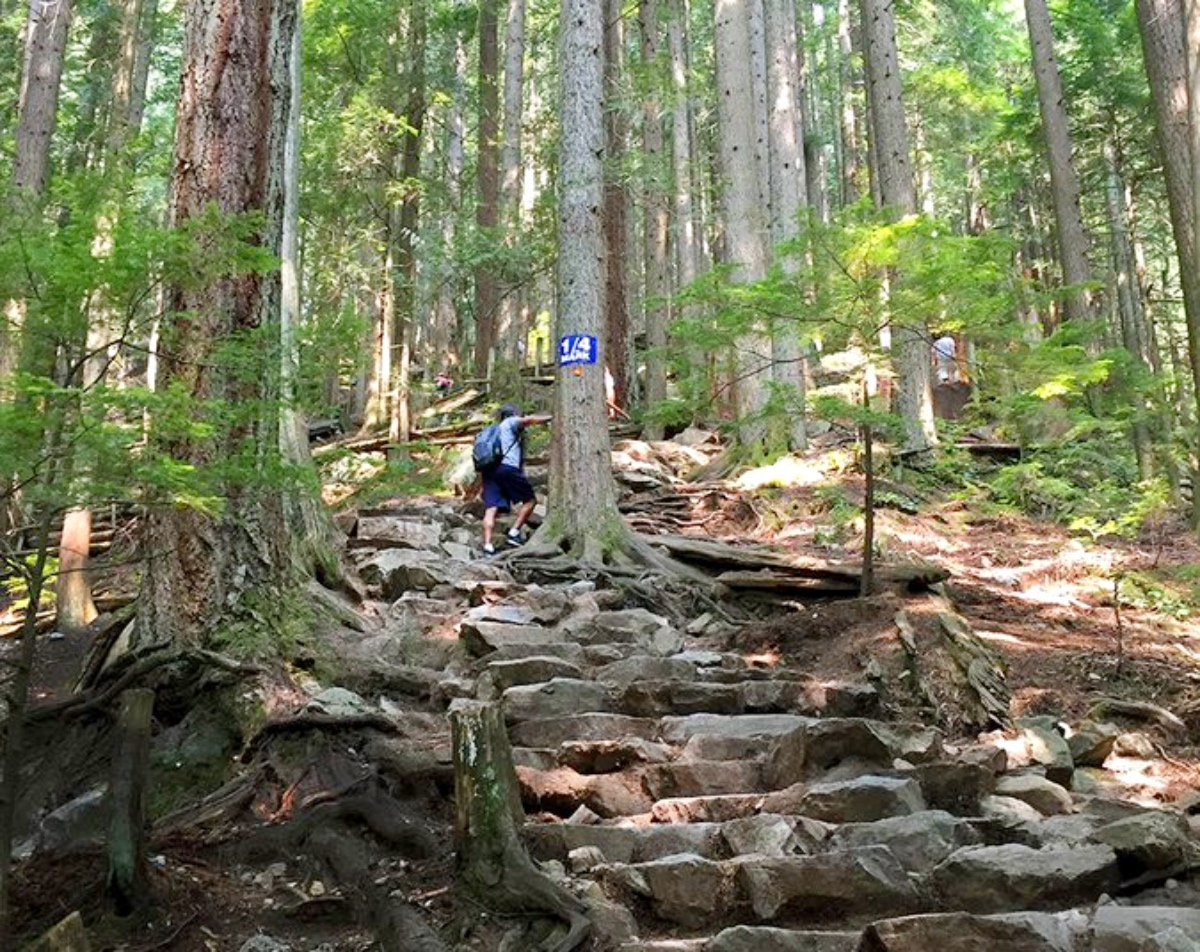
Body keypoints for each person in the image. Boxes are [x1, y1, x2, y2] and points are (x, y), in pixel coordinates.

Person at [481, 403, 551, 555]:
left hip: (490, 471)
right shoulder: (511, 422)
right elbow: (529, 420)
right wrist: (551, 417)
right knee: (530, 500)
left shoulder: (495, 429)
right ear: (513, 413)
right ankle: (514, 532)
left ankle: (487, 545)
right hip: (507, 468)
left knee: (491, 509)